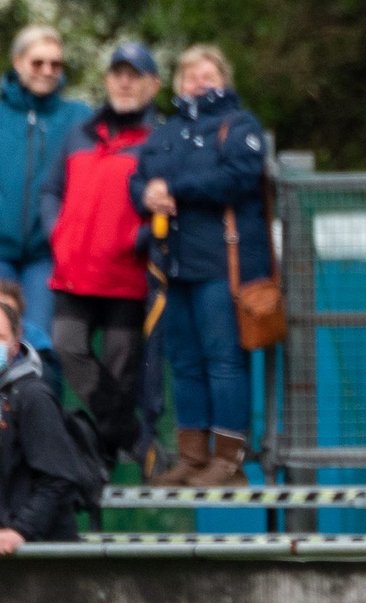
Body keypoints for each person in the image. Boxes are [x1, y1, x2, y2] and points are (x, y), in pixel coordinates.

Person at [131, 45, 271, 488]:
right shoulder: (166, 132)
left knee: (224, 361)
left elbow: (239, 176)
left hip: (222, 266)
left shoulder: (240, 125)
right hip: (173, 265)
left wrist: (173, 186)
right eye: (190, 75)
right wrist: (146, 194)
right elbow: (140, 176)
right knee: (184, 363)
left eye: (207, 73)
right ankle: (192, 458)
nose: (199, 82)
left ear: (224, 79)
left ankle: (228, 461)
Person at [41, 42, 161, 472]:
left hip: (126, 277)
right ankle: (129, 437)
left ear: (153, 84)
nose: (125, 82)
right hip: (74, 272)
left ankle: (103, 463)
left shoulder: (159, 139)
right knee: (66, 346)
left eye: (134, 74)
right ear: (107, 79)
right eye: (117, 73)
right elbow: (51, 189)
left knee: (121, 368)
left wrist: (139, 236)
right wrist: (58, 230)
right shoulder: (80, 132)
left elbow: (169, 201)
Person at [0, 300, 81, 603]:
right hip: (9, 557)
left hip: (42, 553)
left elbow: (58, 478)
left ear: (14, 340)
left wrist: (20, 530)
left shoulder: (31, 396)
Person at [1, 25, 91, 393]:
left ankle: (43, 432)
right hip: (1, 250)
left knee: (40, 343)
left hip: (46, 253)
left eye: (56, 63)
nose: (47, 70)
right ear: (17, 62)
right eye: (37, 61)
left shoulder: (78, 117)